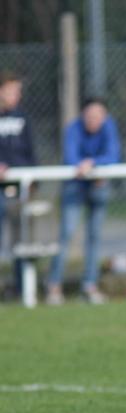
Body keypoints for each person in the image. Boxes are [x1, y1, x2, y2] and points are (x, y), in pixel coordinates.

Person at [46, 98, 120, 305]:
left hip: (98, 186)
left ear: (104, 117)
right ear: (82, 115)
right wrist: (85, 167)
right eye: (89, 116)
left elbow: (113, 155)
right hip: (74, 187)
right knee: (66, 234)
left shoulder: (108, 127)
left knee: (94, 236)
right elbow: (71, 158)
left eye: (98, 116)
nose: (93, 120)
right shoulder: (73, 128)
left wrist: (93, 164)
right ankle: (54, 285)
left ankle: (89, 285)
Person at [0, 71, 37, 295]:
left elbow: (30, 153)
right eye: (10, 90)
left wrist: (32, 181)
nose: (15, 95)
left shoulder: (23, 119)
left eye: (17, 91)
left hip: (19, 188)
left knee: (21, 239)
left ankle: (21, 288)